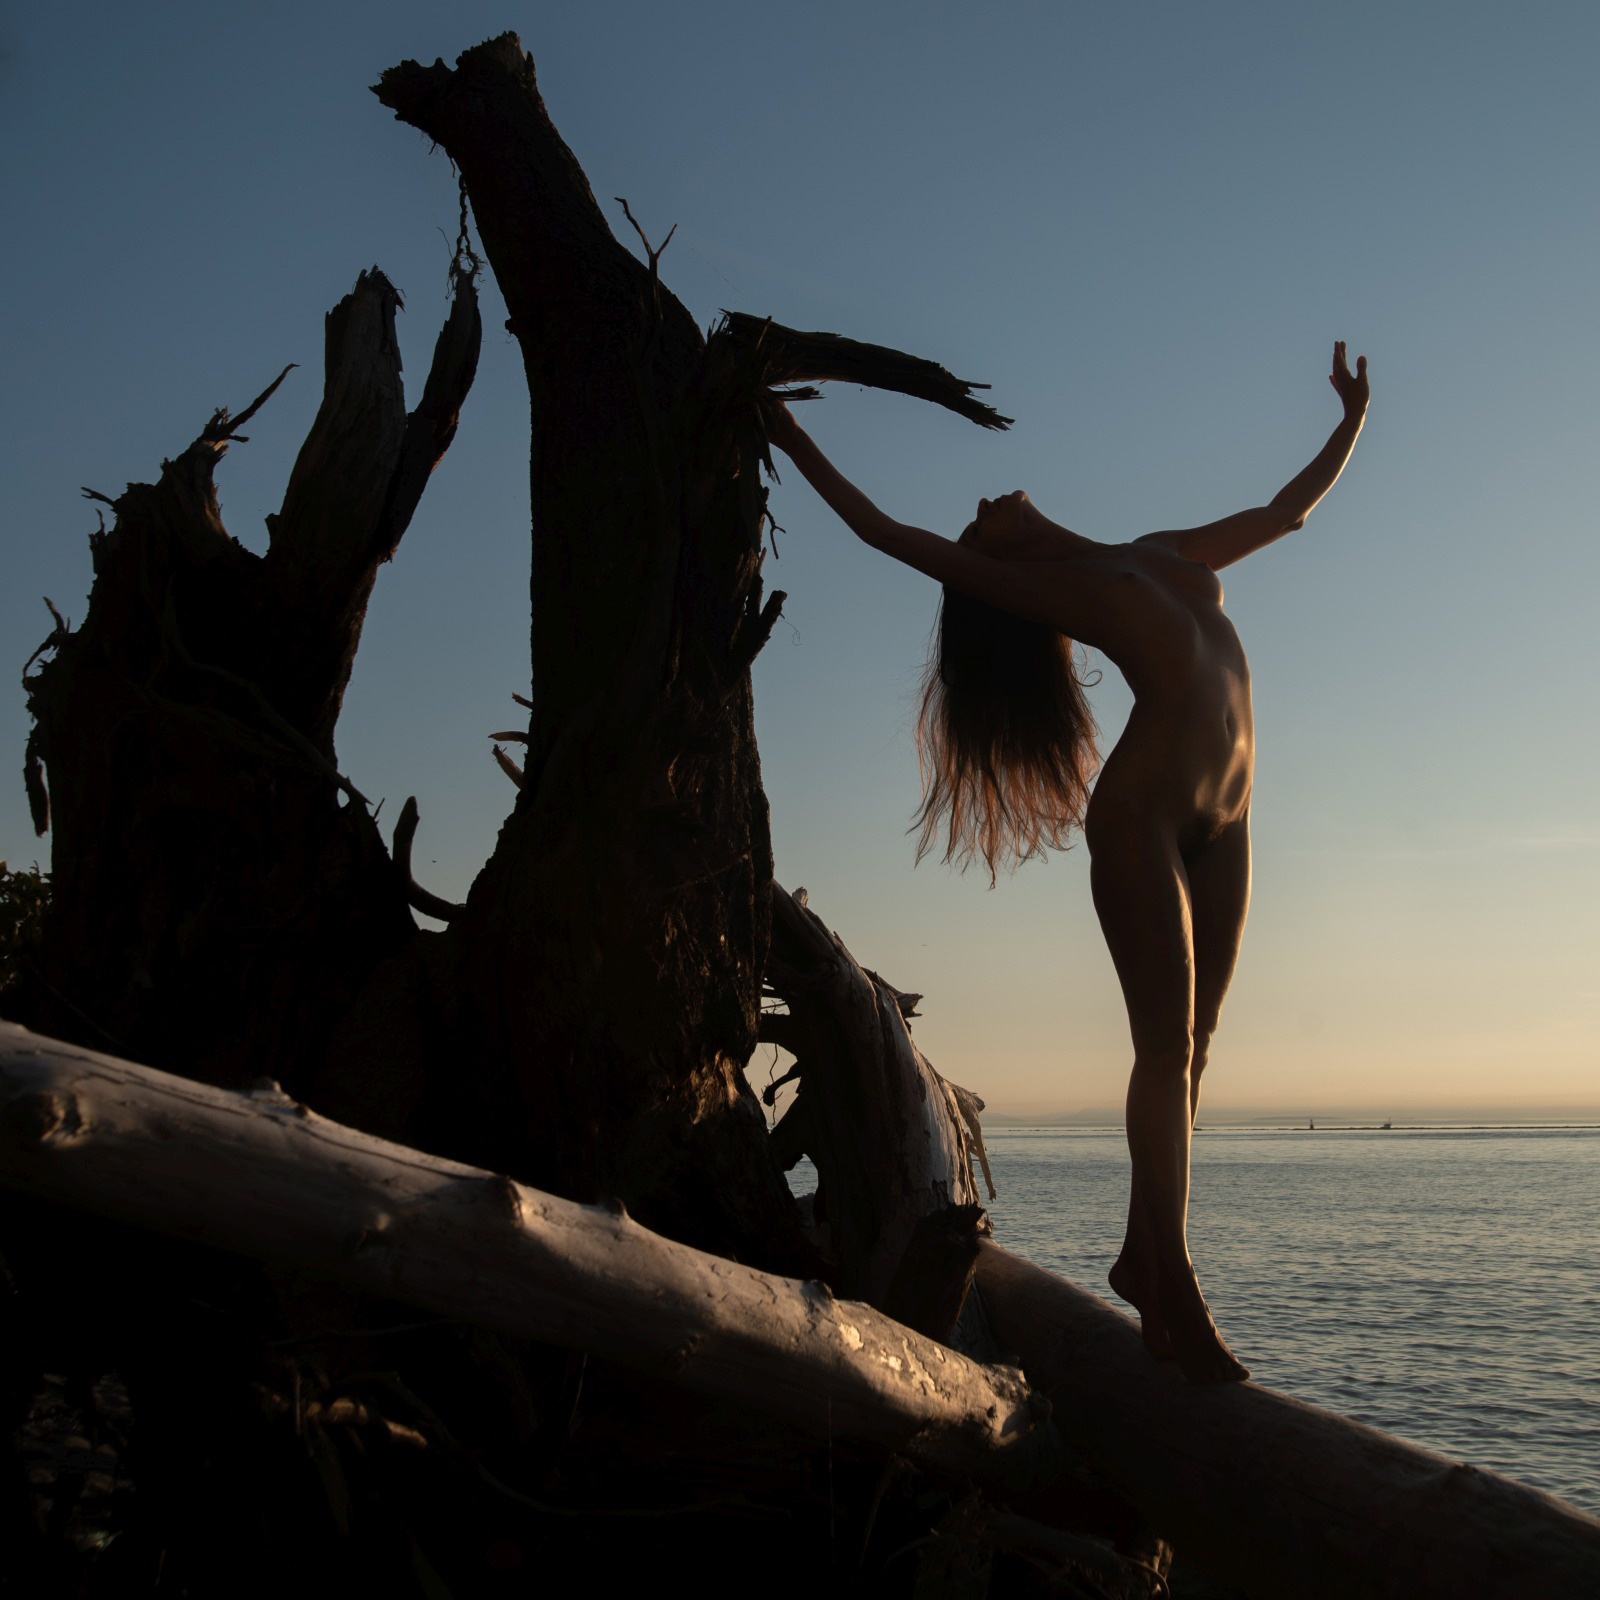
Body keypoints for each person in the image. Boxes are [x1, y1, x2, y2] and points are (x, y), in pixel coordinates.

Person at [767, 344, 1370, 1383]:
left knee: (1197, 1045)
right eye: (976, 524)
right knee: (1164, 1046)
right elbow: (883, 531)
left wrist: (1350, 421)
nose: (981, 506)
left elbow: (1287, 514)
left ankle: (1144, 1251)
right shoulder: (1052, 588)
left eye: (978, 513)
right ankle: (1172, 1278)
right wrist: (785, 432)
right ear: (999, 562)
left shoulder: (1159, 552)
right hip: (1144, 818)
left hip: (1230, 818)